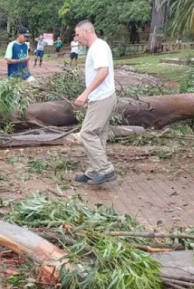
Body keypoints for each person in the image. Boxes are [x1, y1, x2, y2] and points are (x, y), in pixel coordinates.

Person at [73, 20, 117, 185]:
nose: (77, 39)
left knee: (87, 133)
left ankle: (105, 169)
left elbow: (103, 71)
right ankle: (94, 171)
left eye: (77, 34)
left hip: (101, 98)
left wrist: (85, 93)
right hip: (102, 97)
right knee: (98, 136)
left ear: (86, 32)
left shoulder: (98, 47)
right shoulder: (97, 47)